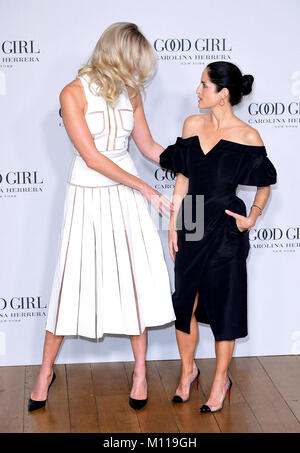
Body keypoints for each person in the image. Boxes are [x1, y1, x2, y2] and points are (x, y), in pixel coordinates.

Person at [28, 22, 176, 412]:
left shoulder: (132, 91)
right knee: (71, 282)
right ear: (115, 55)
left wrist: (192, 160)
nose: (138, 73)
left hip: (125, 196)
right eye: (133, 63)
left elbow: (146, 146)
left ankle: (141, 372)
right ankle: (45, 372)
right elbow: (93, 158)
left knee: (134, 279)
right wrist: (143, 187)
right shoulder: (72, 92)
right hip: (88, 195)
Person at [159, 61, 277, 413]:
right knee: (185, 304)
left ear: (223, 94)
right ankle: (187, 372)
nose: (197, 91)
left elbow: (264, 184)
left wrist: (251, 218)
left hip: (226, 224)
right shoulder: (192, 124)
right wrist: (172, 225)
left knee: (224, 307)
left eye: (204, 85)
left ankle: (220, 380)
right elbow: (183, 179)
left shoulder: (248, 136)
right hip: (192, 215)